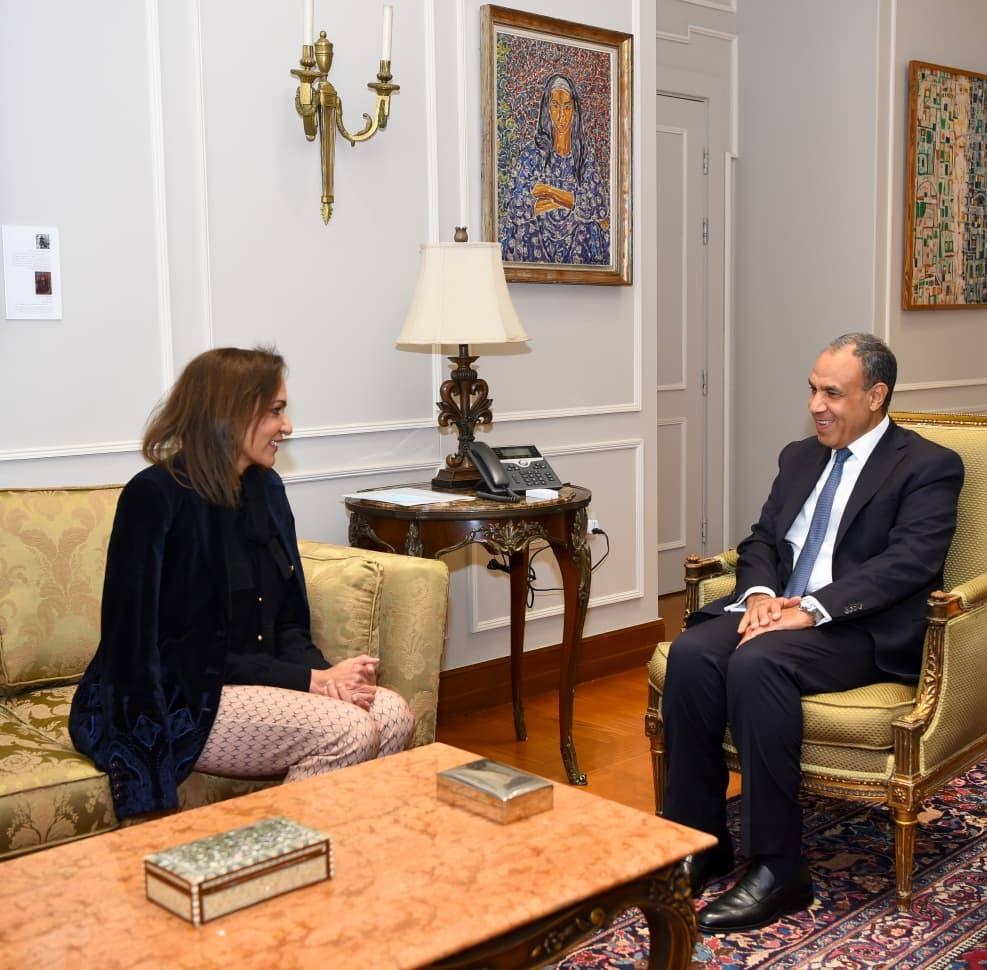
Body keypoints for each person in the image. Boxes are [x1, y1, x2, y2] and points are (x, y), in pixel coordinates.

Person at [662, 333, 964, 933]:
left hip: (860, 627)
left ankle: (778, 869)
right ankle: (701, 841)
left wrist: (815, 607)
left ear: (875, 396)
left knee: (758, 663)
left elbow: (910, 563)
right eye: (812, 389)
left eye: (832, 393)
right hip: (779, 611)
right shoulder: (799, 457)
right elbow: (762, 540)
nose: (815, 406)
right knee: (692, 653)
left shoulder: (928, 466)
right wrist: (761, 595)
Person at [69, 347, 414, 819]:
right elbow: (151, 649)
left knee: (392, 715)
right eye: (275, 411)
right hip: (181, 697)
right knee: (349, 731)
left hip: (253, 684)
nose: (287, 426)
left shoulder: (266, 489)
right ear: (230, 413)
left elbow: (289, 624)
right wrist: (310, 682)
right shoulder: (154, 497)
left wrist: (330, 679)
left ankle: (344, 853)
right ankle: (273, 855)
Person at [499, 74, 609, 266]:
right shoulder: (533, 154)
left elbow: (599, 207)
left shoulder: (584, 155)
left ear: (574, 110)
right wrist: (573, 203)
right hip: (534, 243)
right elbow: (515, 206)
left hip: (579, 244)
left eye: (567, 107)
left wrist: (547, 191)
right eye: (555, 106)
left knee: (591, 228)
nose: (561, 116)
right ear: (547, 109)